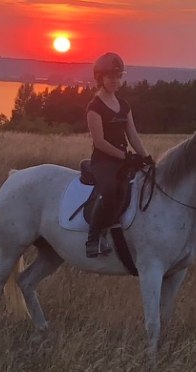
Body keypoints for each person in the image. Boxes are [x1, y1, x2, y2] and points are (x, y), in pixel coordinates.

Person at [83, 52, 151, 258]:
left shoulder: (124, 105)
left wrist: (146, 158)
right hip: (103, 161)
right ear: (100, 78)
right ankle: (94, 237)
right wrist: (124, 157)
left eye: (118, 76)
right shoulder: (94, 107)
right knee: (112, 190)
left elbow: (132, 135)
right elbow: (99, 142)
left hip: (123, 158)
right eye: (110, 76)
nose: (115, 80)